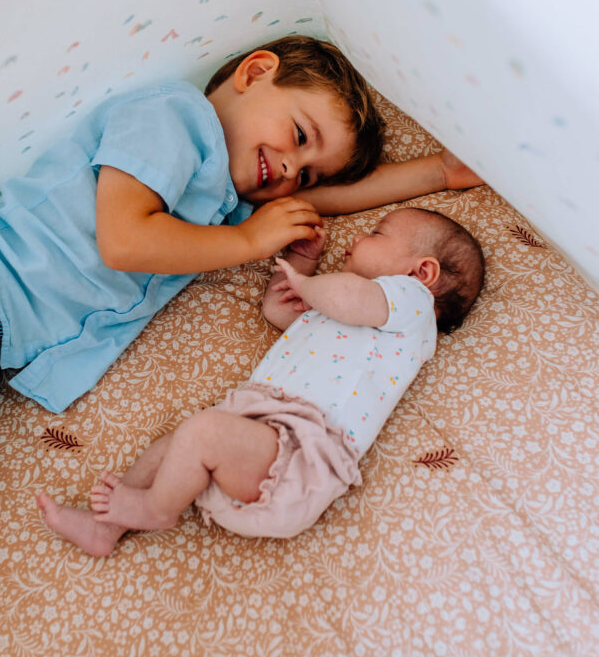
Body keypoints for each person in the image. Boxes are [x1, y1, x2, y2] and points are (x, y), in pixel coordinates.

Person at [0, 34, 481, 554]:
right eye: (300, 137)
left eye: (305, 175)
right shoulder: (173, 118)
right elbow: (124, 240)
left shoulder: (227, 203)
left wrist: (436, 172)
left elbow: (331, 200)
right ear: (255, 73)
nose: (289, 169)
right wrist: (245, 240)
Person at [37, 205, 485, 551]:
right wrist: (302, 265)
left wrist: (311, 285)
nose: (356, 238)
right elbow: (278, 311)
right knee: (173, 446)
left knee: (201, 432)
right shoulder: (345, 309)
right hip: (257, 436)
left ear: (422, 272)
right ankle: (105, 528)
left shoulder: (411, 306)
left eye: (377, 233)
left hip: (301, 454)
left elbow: (348, 296)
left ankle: (156, 509)